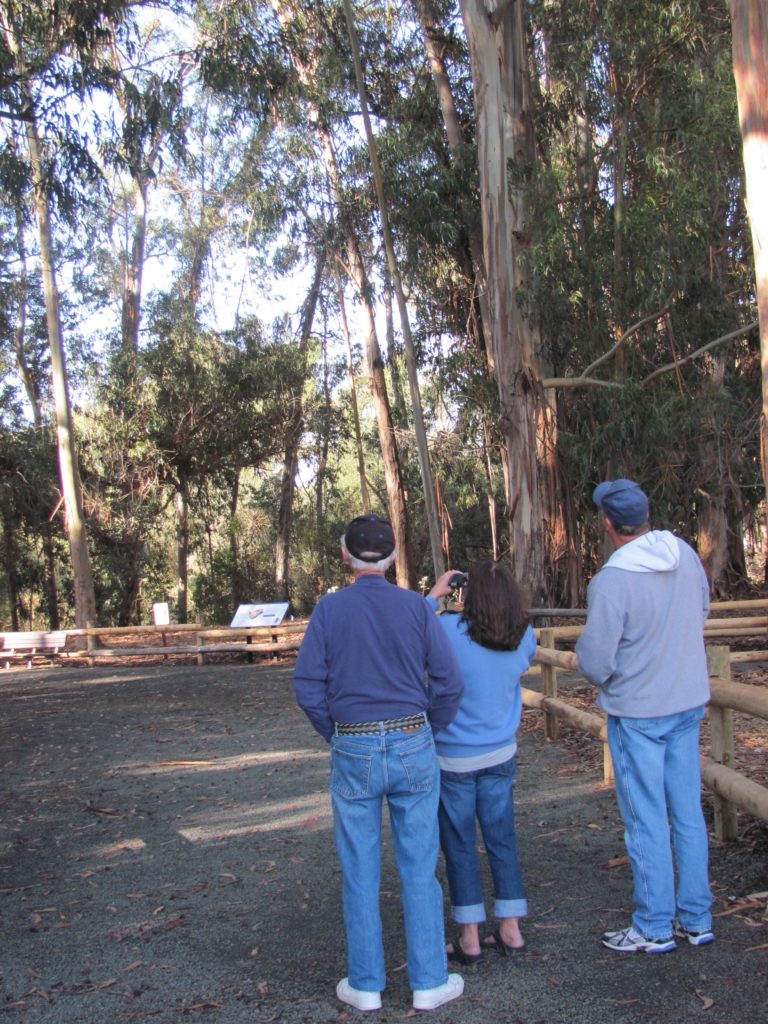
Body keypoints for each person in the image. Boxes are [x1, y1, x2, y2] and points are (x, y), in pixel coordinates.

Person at [292, 514, 465, 1012]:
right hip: (413, 740)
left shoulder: (329, 610)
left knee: (359, 868)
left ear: (345, 556)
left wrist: (338, 733)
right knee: (419, 865)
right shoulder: (416, 608)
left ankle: (366, 984)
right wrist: (428, 729)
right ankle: (430, 979)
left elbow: (308, 686)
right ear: (392, 558)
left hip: (355, 744)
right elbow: (449, 683)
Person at [575, 479, 714, 953]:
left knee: (646, 819)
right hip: (686, 700)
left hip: (638, 712)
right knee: (687, 813)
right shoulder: (685, 554)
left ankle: (654, 925)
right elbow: (702, 611)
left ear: (608, 524)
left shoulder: (612, 581)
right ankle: (697, 918)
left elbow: (596, 662)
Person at [427, 560, 537, 964]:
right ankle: (510, 926)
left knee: (458, 843)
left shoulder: (446, 631)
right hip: (499, 753)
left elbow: (411, 627)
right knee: (501, 838)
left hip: (453, 757)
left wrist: (436, 593)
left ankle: (469, 935)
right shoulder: (524, 636)